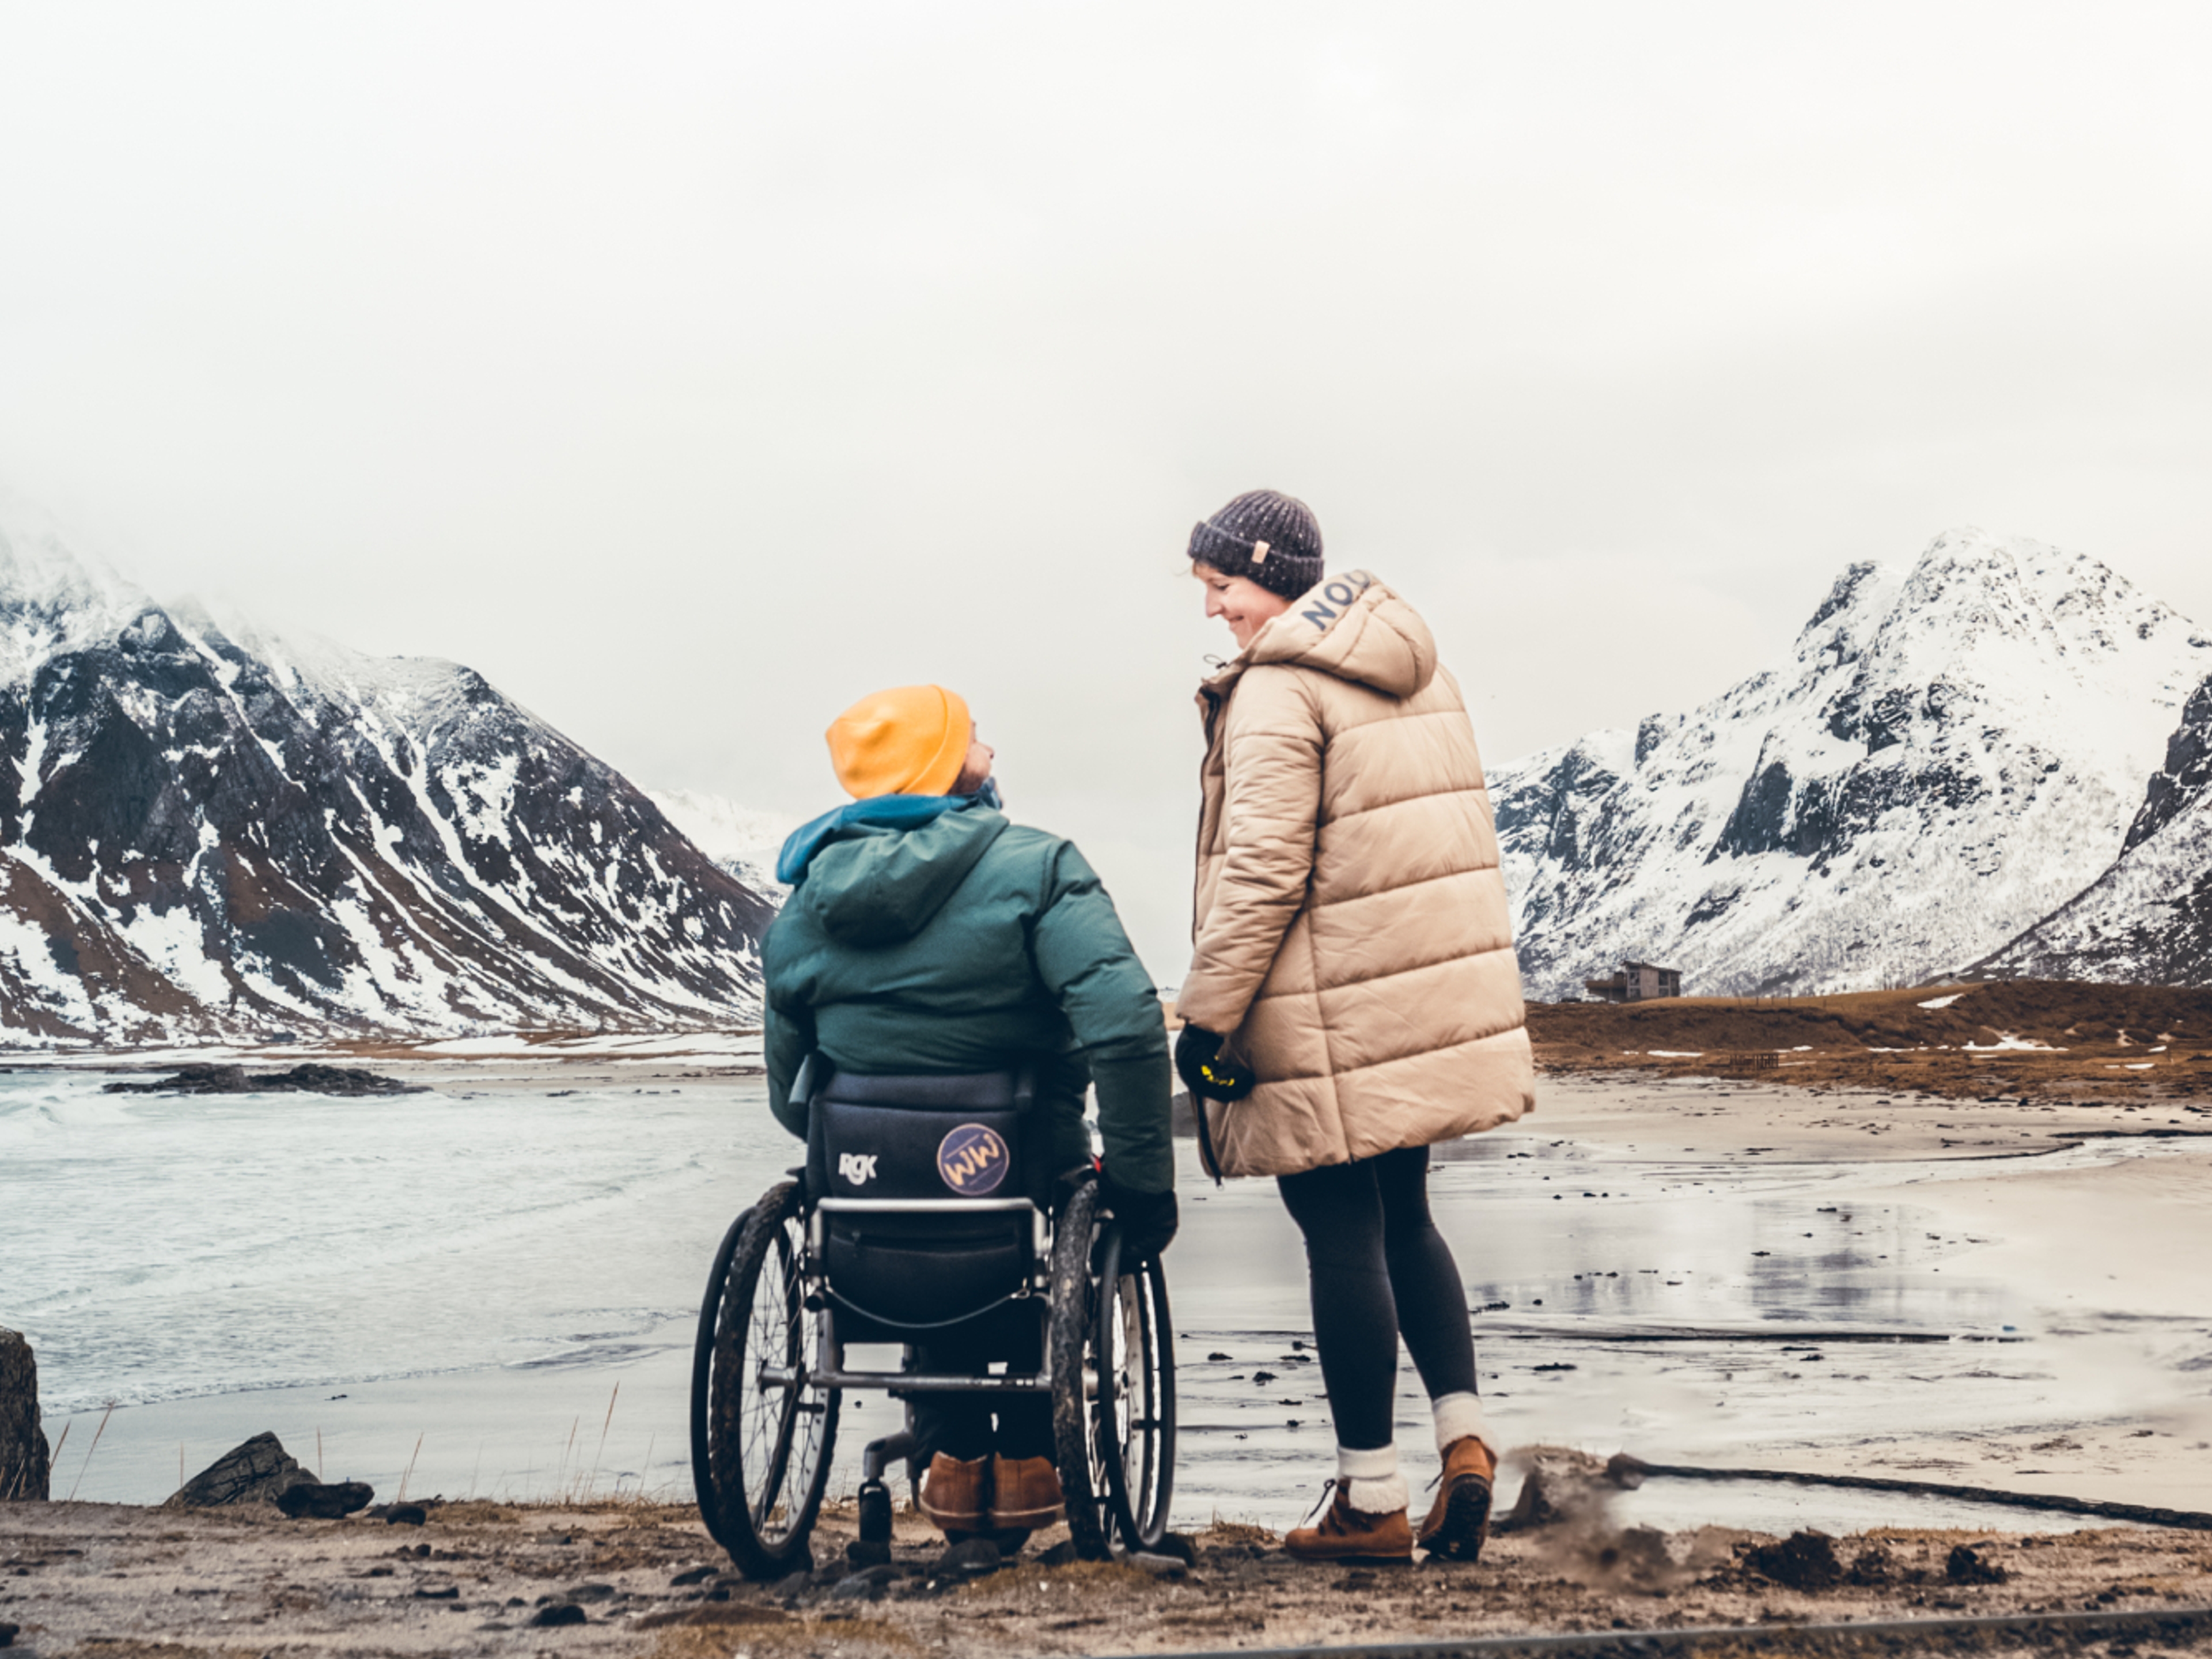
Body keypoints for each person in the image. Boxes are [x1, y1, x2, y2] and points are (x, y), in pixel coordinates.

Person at [1172, 490, 1536, 1565]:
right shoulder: (1420, 672)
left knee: (1338, 1231)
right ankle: (1464, 1444)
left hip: (1320, 1008)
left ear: (1269, 575)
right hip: (1409, 1002)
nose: (1213, 611)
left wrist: (1207, 1018)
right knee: (1407, 1219)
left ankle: (1370, 1499)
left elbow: (1265, 872)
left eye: (1221, 587)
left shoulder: (1280, 690)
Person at [762, 683, 1178, 1540]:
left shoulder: (806, 901)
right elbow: (1127, 1026)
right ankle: (1027, 1459)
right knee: (1041, 1208)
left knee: (927, 1209)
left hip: (869, 1190)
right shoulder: (1038, 866)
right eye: (976, 739)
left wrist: (852, 1141)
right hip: (1023, 1161)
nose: (990, 752)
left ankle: (951, 1463)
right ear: (941, 766)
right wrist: (1142, 1184)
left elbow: (789, 1086)